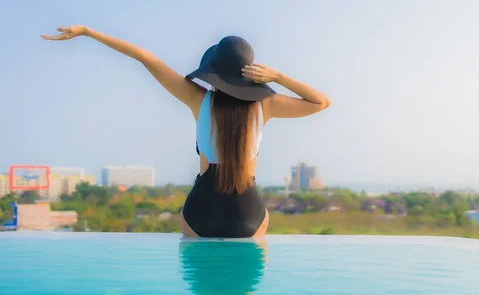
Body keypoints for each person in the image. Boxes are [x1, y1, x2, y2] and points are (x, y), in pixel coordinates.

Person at [41, 26, 331, 238]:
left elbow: (145, 58)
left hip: (200, 211)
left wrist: (89, 32)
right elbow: (321, 102)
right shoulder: (266, 105)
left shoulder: (198, 98)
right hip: (247, 213)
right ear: (250, 74)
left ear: (212, 71)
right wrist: (277, 77)